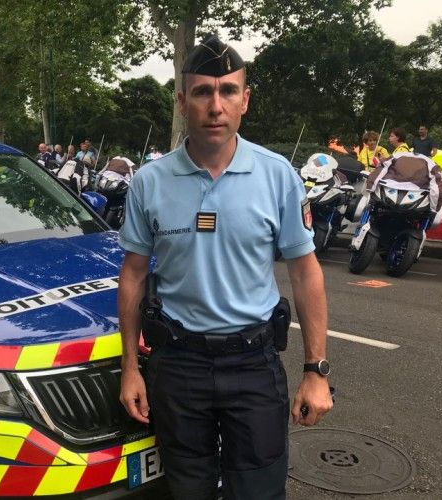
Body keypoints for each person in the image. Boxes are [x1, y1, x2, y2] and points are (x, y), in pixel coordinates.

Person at [117, 34, 332, 500]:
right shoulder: (149, 183)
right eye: (202, 92)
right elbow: (133, 273)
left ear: (244, 100)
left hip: (253, 367)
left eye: (228, 91)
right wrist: (131, 367)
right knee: (187, 491)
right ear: (181, 101)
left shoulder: (278, 176)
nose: (216, 105)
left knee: (259, 491)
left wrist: (316, 371)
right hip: (178, 368)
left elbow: (305, 271)